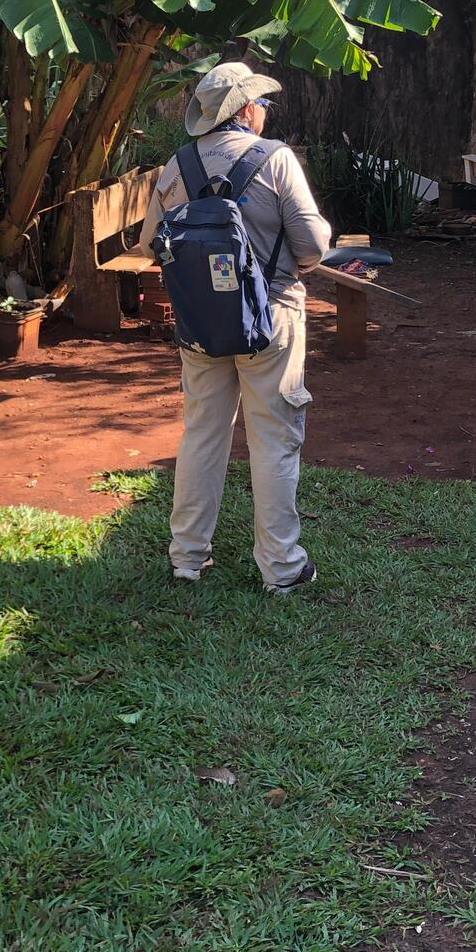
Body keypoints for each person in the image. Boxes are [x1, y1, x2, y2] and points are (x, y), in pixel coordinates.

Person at [137, 62, 332, 593]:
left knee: (202, 433)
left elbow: (149, 243)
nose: (265, 112)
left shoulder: (175, 167)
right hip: (271, 318)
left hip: (199, 321)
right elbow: (313, 248)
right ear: (245, 110)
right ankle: (282, 567)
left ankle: (187, 558)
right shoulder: (277, 160)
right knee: (273, 438)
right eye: (262, 104)